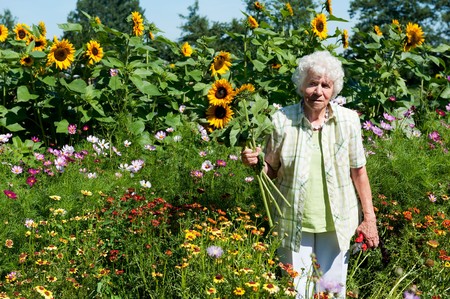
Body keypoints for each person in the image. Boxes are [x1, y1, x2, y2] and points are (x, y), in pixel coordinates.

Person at [241, 50, 379, 298]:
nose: (319, 92)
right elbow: (270, 171)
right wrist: (254, 162)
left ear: (333, 89)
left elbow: (359, 172)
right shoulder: (281, 120)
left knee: (331, 292)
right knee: (296, 292)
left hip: (338, 223)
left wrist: (369, 219)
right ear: (301, 85)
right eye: (312, 84)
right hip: (293, 221)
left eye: (326, 85)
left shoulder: (348, 121)